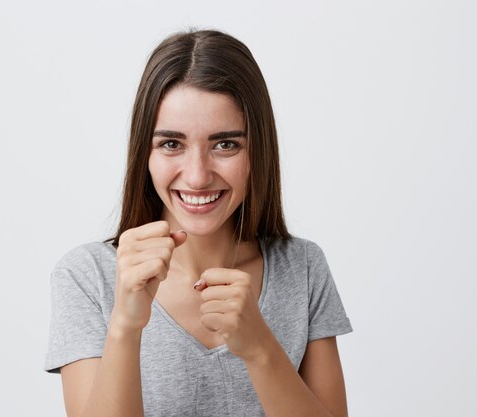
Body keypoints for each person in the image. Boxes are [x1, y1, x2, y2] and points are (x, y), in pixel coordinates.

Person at [44, 29, 353, 417]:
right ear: (145, 153)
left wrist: (260, 348)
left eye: (225, 144)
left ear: (258, 151)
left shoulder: (302, 268)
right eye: (171, 144)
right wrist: (125, 325)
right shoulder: (88, 276)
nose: (197, 176)